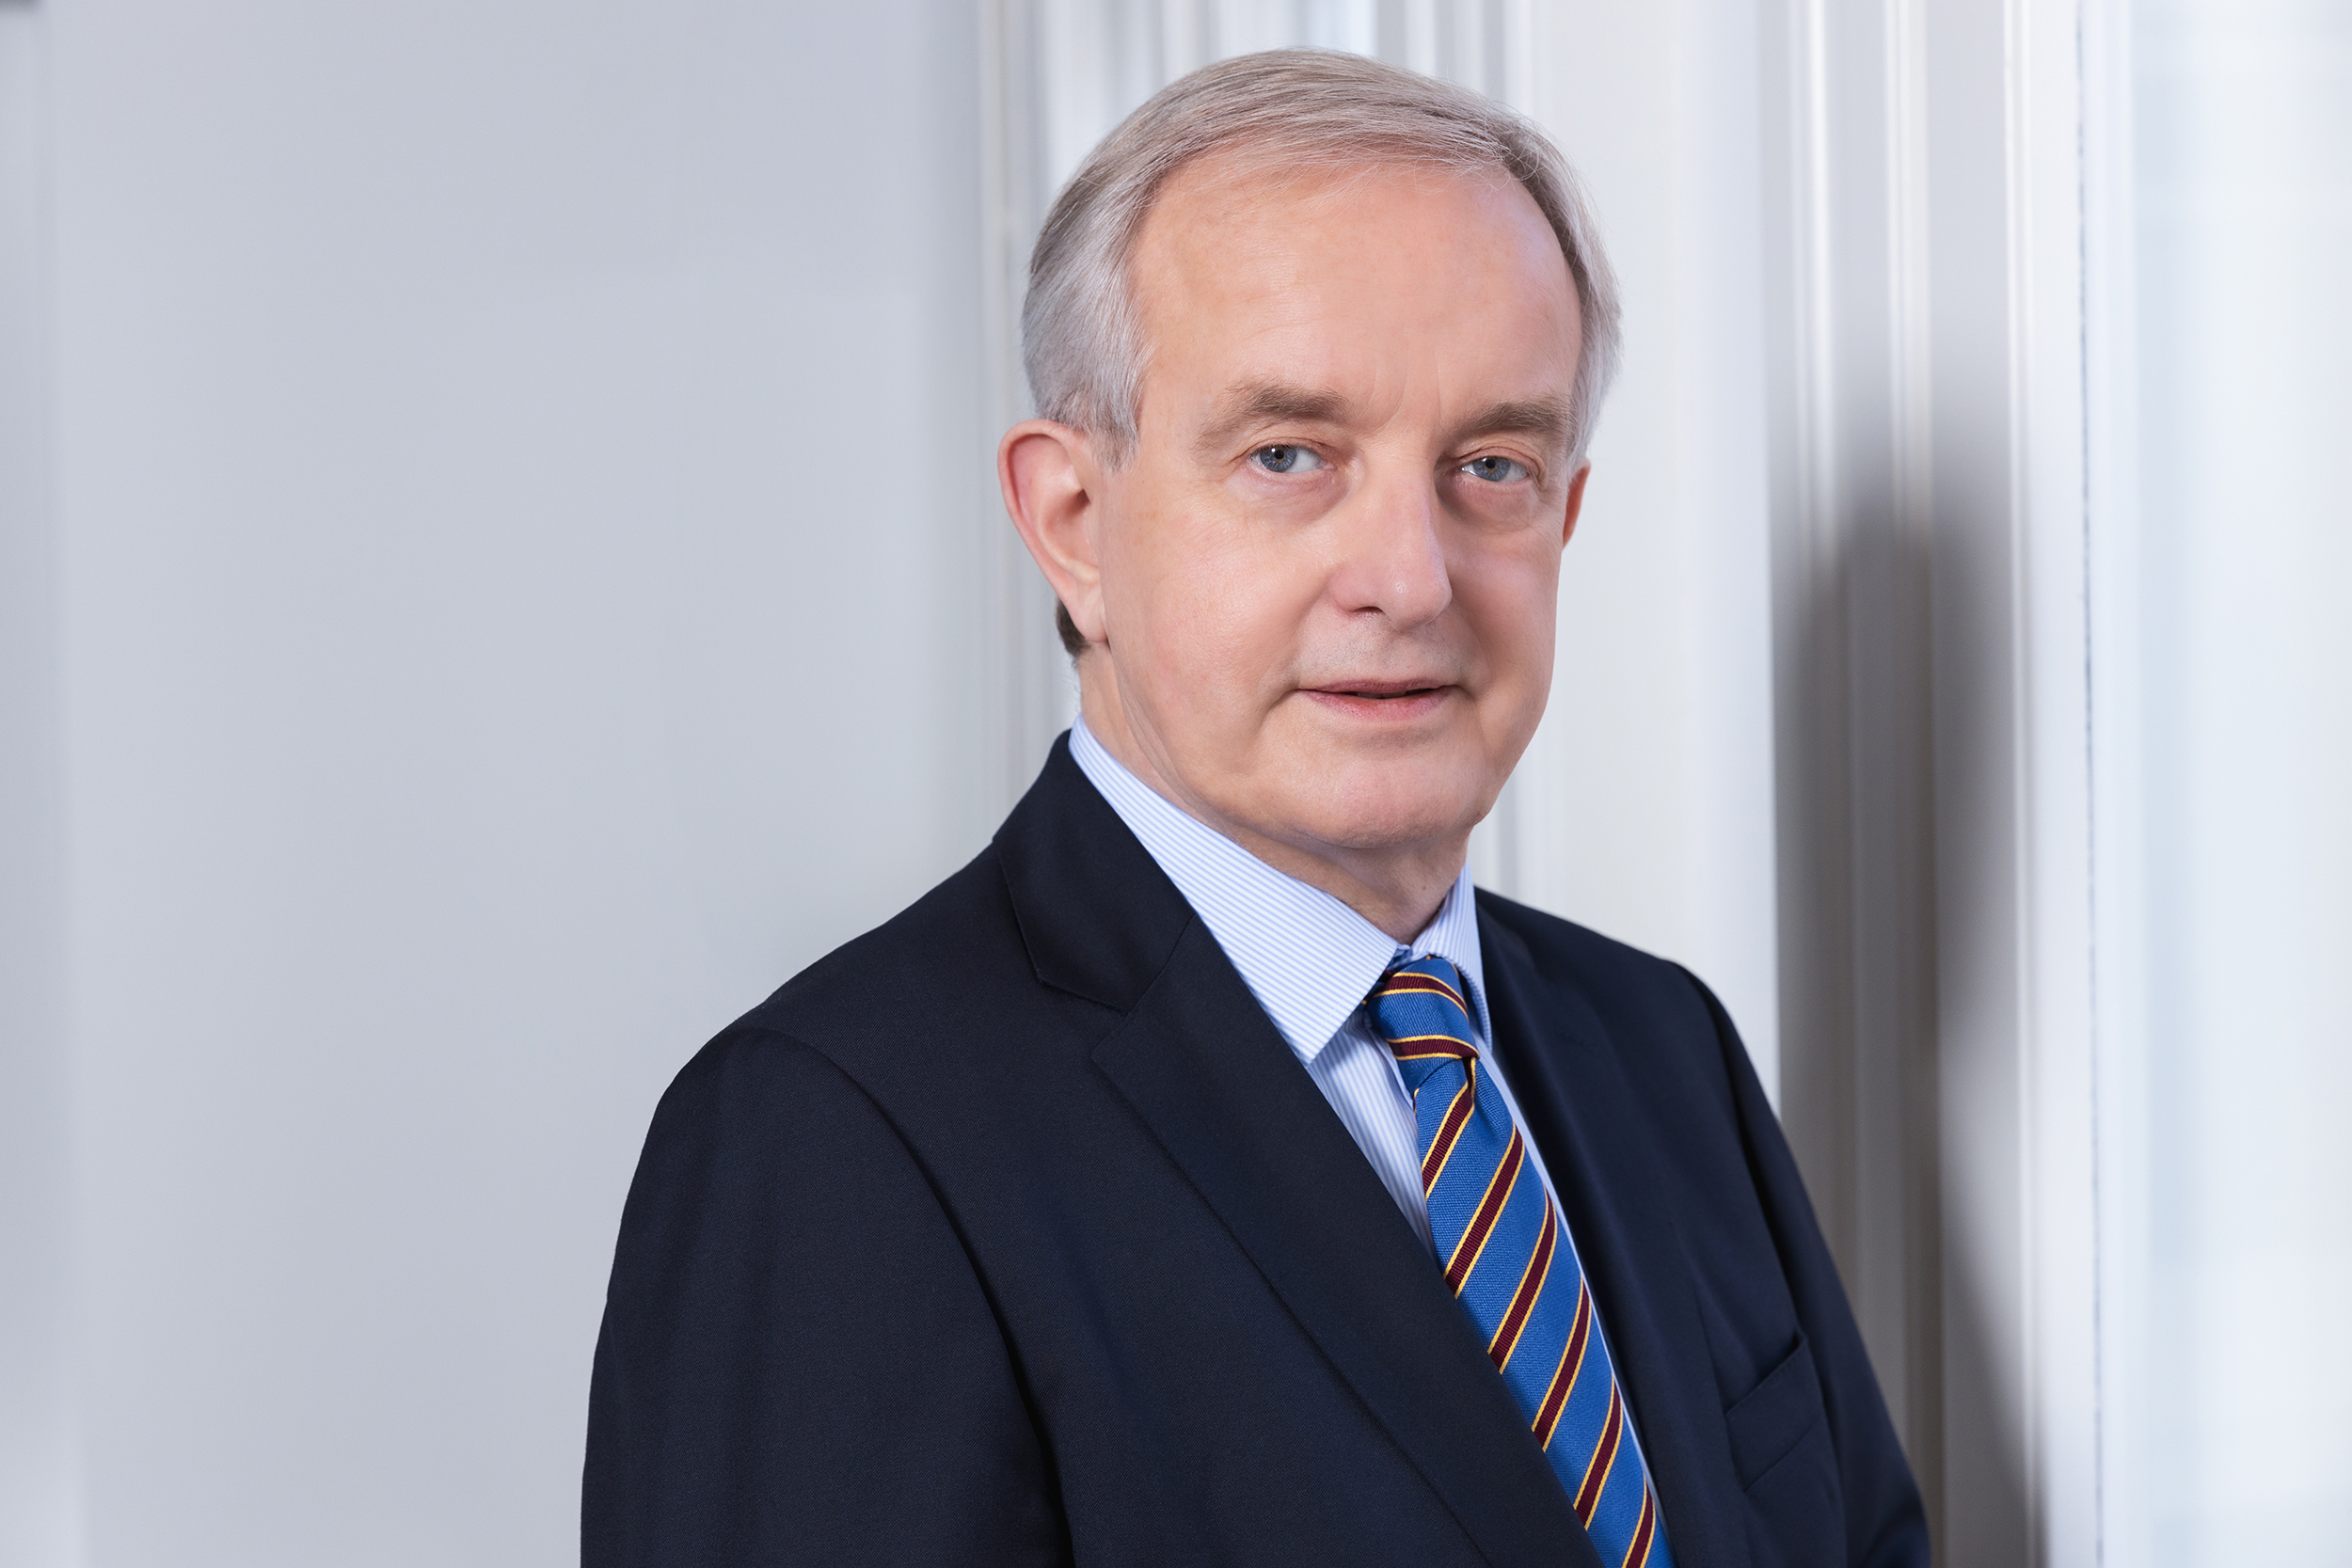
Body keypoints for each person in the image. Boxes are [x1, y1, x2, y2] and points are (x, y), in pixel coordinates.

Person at [583, 49, 1928, 1568]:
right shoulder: (834, 1145)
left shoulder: (1661, 1048)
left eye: (1492, 465)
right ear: (1072, 522)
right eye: (1290, 455)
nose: (1411, 580)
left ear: (1565, 516)